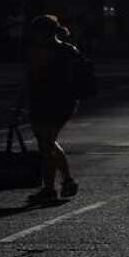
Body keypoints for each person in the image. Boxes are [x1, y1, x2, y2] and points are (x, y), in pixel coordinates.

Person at [15, 15, 82, 204]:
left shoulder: (36, 52)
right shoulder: (70, 50)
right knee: (48, 143)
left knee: (46, 143)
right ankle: (56, 185)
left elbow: (28, 81)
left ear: (41, 32)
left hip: (43, 101)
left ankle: (58, 184)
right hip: (65, 103)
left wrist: (19, 105)